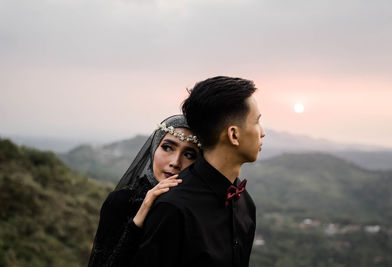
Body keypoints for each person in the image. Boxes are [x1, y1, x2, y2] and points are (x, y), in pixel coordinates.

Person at [133, 76, 266, 267]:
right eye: (257, 122)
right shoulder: (173, 208)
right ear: (234, 134)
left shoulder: (245, 203)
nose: (262, 132)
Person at [88, 115, 201, 267]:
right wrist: (138, 219)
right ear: (154, 148)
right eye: (167, 148)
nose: (175, 162)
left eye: (189, 155)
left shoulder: (199, 211)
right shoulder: (121, 201)